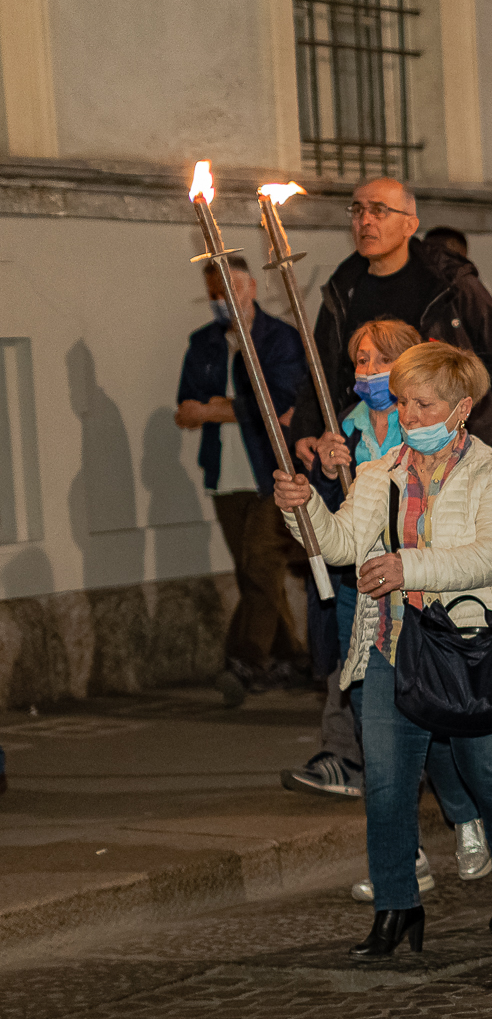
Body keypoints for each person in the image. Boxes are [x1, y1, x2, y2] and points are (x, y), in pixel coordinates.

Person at [272, 341, 492, 960]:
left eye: (425, 404)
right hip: (392, 645)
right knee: (387, 788)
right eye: (403, 403)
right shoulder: (378, 472)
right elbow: (342, 544)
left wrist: (406, 566)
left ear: (461, 408)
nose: (410, 416)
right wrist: (304, 509)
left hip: (470, 650)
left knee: (491, 777)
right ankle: (396, 908)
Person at [295, 319, 492, 898]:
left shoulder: (429, 426)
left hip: (426, 593)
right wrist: (321, 475)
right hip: (361, 592)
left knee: (435, 721)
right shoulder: (344, 429)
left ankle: (465, 816)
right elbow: (336, 526)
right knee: (376, 727)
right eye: (360, 361)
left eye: (381, 360)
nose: (369, 372)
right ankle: (403, 859)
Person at [300, 176, 492, 483]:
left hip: (457, 458)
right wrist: (307, 429)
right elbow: (321, 368)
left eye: (379, 210)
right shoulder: (343, 288)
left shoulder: (450, 284)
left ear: (410, 225)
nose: (365, 221)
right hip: (370, 459)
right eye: (357, 210)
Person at [174, 255, 310, 704]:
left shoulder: (279, 339)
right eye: (214, 292)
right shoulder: (204, 343)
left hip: (272, 471)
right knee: (253, 569)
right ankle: (292, 656)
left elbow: (279, 404)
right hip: (225, 473)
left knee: (262, 563)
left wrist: (215, 409)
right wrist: (222, 409)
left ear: (251, 286)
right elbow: (187, 407)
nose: (222, 299)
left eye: (230, 288)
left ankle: (244, 659)